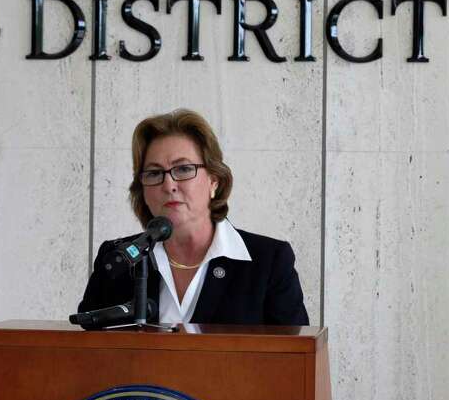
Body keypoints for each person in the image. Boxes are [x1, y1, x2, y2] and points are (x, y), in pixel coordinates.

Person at [79, 109, 309, 326]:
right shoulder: (118, 260)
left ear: (214, 181)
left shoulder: (268, 262)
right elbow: (82, 354)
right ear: (142, 190)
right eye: (154, 173)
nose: (169, 185)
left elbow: (295, 361)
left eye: (183, 169)